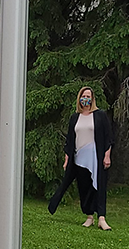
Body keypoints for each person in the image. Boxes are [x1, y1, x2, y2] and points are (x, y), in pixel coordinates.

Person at [48, 87, 114, 230]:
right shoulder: (75, 117)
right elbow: (70, 140)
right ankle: (89, 216)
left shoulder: (100, 115)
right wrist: (67, 159)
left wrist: (107, 155)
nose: (86, 98)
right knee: (84, 187)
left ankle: (101, 218)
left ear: (92, 99)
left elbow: (108, 138)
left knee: (99, 186)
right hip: (79, 159)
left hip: (95, 157)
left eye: (88, 96)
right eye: (83, 96)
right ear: (80, 98)